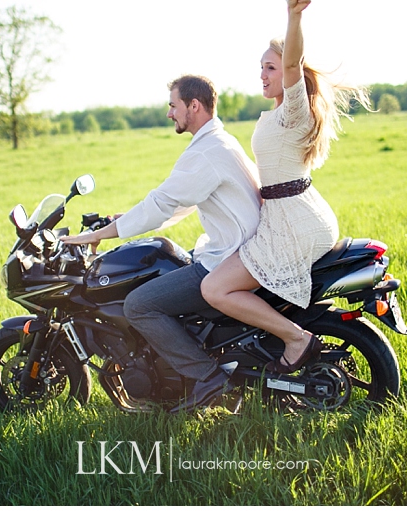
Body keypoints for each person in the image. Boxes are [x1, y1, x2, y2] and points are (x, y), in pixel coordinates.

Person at [201, 0, 372, 374]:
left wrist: (293, 15)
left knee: (215, 287)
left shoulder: (294, 109)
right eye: (261, 66)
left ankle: (297, 339)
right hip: (293, 213)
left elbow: (294, 64)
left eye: (271, 68)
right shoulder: (278, 115)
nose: (264, 73)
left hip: (293, 224)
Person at [60, 74, 261, 411]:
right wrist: (119, 220)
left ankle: (207, 376)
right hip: (234, 252)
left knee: (138, 305)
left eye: (173, 105)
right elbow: (180, 202)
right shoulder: (219, 142)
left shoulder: (206, 152)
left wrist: (93, 236)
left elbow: (160, 204)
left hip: (228, 259)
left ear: (193, 106)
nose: (169, 113)